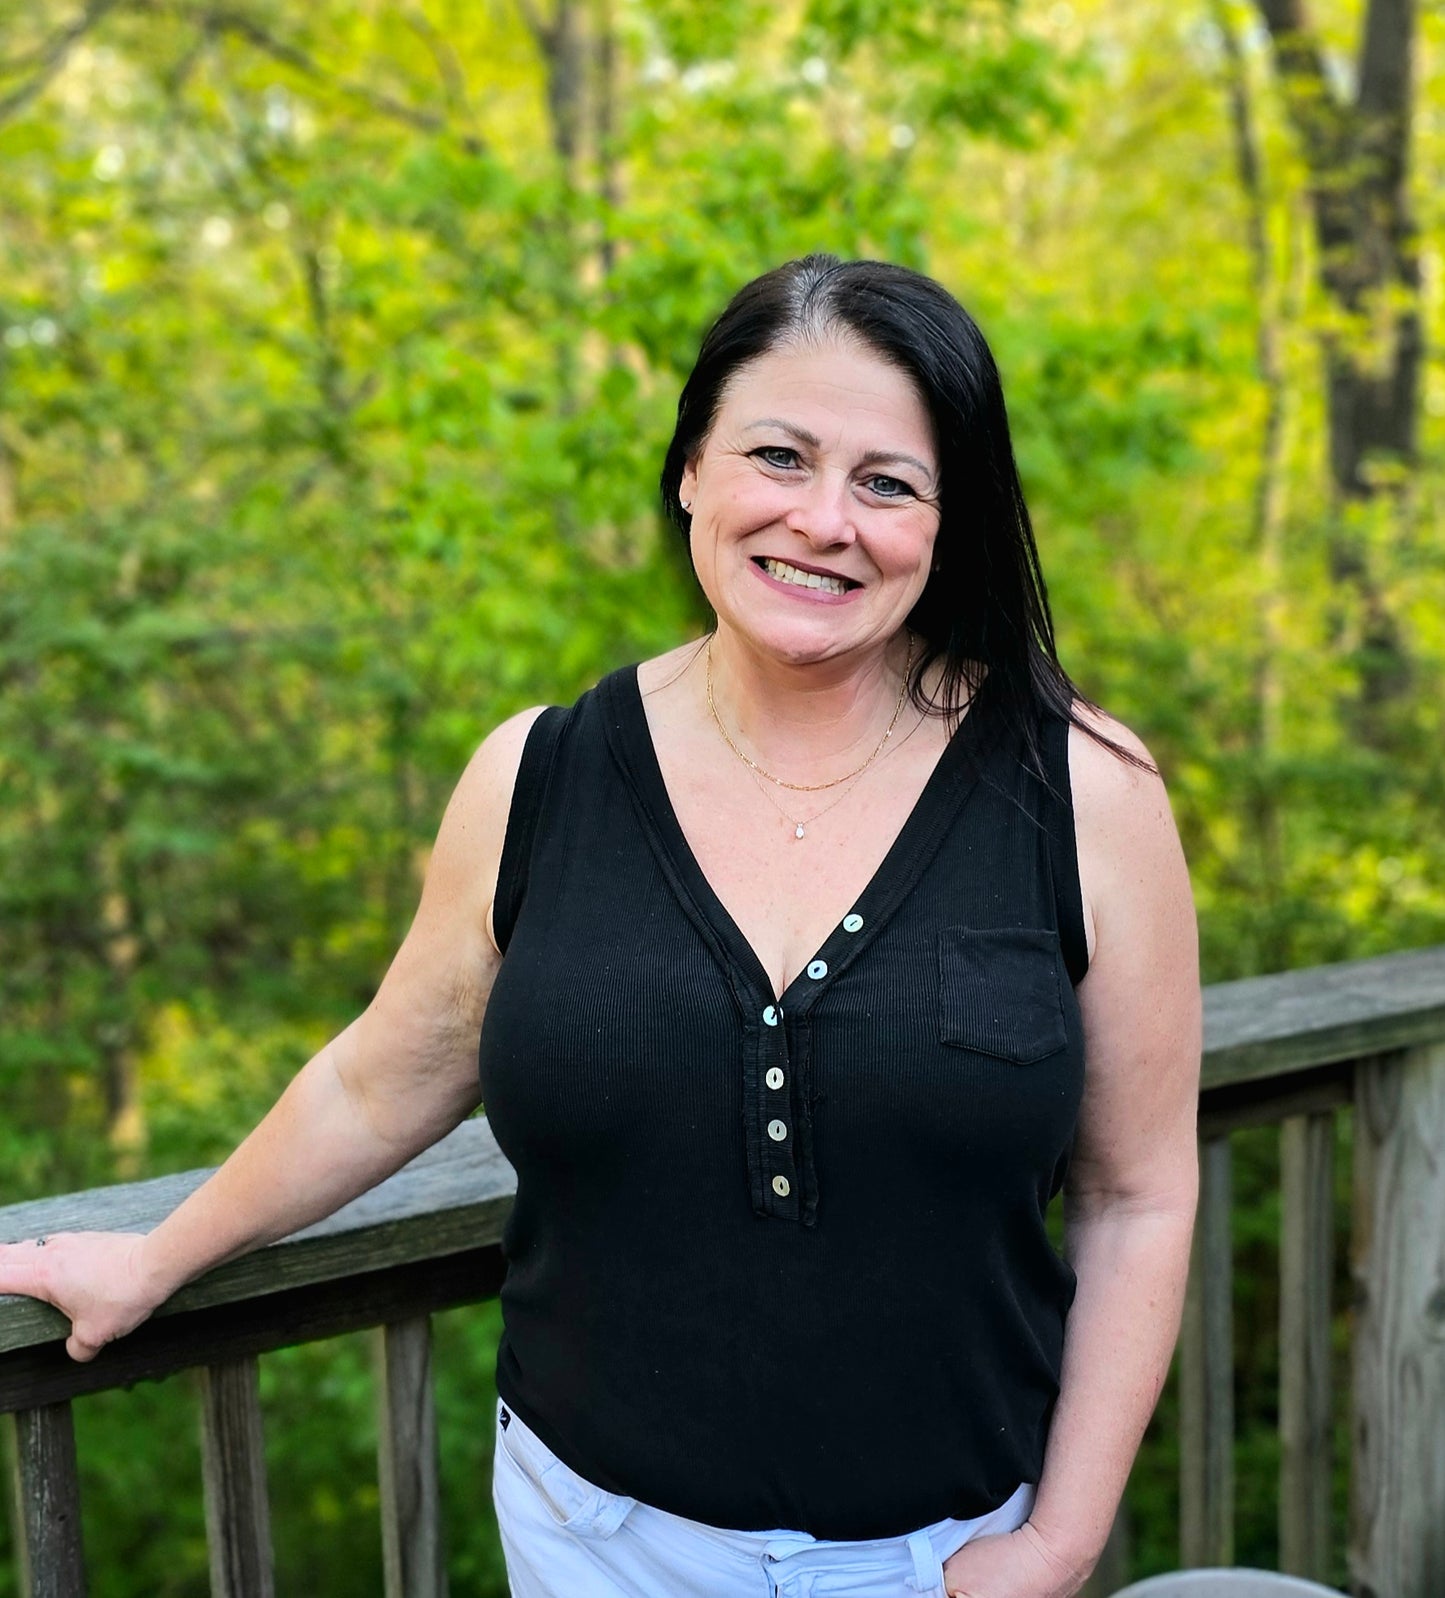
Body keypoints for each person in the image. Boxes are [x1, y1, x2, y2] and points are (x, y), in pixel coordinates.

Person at [0, 255, 1200, 1598]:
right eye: (777, 455)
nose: (822, 519)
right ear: (690, 466)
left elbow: (1135, 1192)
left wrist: (1058, 1539)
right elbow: (378, 1073)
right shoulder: (538, 774)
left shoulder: (1080, 788)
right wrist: (154, 1256)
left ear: (949, 519)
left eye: (886, 481)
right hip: (590, 1545)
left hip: (949, 1562)